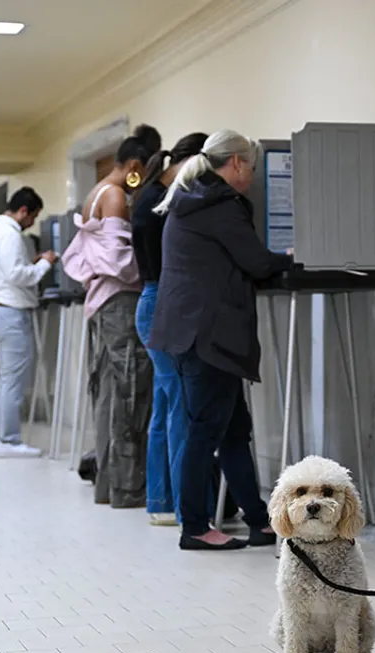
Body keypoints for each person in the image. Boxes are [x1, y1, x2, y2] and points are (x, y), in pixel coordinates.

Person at [149, 130, 293, 550]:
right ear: (234, 163)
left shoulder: (191, 198)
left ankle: (258, 520)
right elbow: (255, 260)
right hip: (210, 333)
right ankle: (194, 526)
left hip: (190, 330)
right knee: (205, 431)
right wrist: (288, 258)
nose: (251, 173)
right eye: (250, 165)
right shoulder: (220, 205)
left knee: (231, 430)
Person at [64, 125, 157, 508]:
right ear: (135, 165)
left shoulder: (95, 191)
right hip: (120, 302)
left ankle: (109, 484)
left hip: (100, 304)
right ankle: (128, 487)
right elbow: (120, 261)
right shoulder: (117, 196)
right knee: (129, 390)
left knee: (108, 392)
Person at [133, 131, 209, 525]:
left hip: (151, 302)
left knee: (165, 408)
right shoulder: (163, 203)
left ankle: (162, 502)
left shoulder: (147, 195)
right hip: (164, 301)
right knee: (180, 406)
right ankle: (186, 508)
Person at [0, 187, 58, 457]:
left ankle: (4, 438)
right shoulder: (11, 235)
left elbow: (8, 271)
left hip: (1, 311)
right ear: (23, 211)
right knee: (13, 380)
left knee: (7, 379)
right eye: (33, 217)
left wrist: (31, 262)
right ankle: (8, 440)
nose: (33, 224)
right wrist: (45, 264)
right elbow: (17, 275)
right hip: (12, 313)